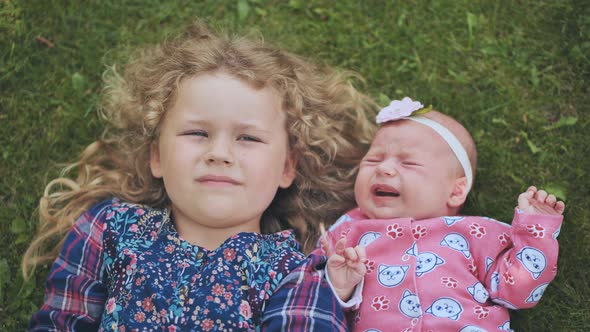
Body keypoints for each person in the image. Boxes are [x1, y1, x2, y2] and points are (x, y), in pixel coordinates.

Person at [22, 20, 377, 331]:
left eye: (248, 138)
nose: (219, 154)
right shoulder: (108, 228)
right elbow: (59, 321)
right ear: (157, 156)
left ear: (287, 167)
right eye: (197, 133)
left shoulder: (298, 274)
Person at [319, 97, 565, 331]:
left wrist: (536, 229)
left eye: (409, 163)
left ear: (456, 191)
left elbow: (520, 291)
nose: (383, 168)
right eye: (372, 160)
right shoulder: (347, 232)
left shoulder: (477, 233)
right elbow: (307, 295)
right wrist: (338, 286)